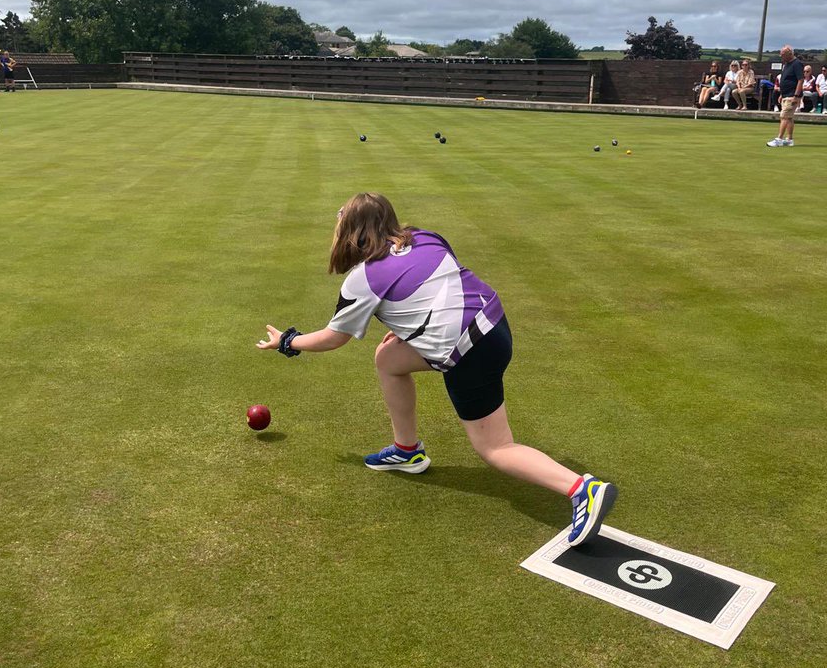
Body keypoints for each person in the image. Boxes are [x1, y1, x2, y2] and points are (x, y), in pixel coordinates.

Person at [256, 193, 618, 547]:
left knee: (496, 448)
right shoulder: (423, 236)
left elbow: (333, 338)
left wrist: (287, 341)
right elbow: (438, 282)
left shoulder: (362, 278)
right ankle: (407, 450)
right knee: (389, 360)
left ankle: (581, 489)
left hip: (468, 349)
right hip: (495, 323)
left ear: (352, 233)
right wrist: (406, 325)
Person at [767, 45, 804, 147]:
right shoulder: (786, 64)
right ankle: (789, 139)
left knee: (784, 116)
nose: (781, 56)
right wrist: (782, 94)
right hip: (786, 95)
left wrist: (796, 96)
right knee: (789, 118)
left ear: (789, 54)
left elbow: (800, 80)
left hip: (792, 95)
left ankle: (779, 139)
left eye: (783, 55)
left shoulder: (797, 64)